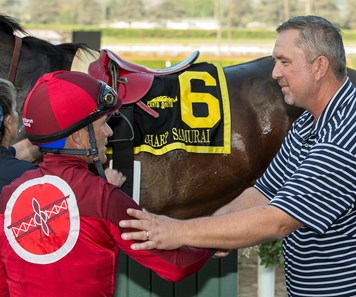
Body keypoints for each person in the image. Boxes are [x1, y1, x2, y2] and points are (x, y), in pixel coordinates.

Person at [119, 15, 356, 296]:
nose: (274, 73)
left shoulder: (349, 135)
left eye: (284, 62)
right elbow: (264, 192)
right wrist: (214, 227)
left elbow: (278, 221)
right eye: (275, 62)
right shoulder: (310, 121)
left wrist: (178, 231)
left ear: (319, 66)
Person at [0, 70, 211, 297]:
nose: (109, 131)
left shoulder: (7, 195)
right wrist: (212, 241)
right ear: (79, 137)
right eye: (102, 125)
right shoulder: (105, 198)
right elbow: (176, 265)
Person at [0, 78, 38, 190]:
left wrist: (52, 138)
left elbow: (23, 150)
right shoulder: (27, 174)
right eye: (15, 109)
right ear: (8, 121)